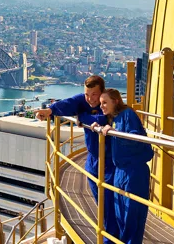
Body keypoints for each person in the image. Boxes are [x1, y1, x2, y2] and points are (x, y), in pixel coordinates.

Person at [35, 75, 118, 243]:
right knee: (101, 204)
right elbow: (69, 103)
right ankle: (108, 235)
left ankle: (110, 239)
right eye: (87, 94)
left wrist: (82, 118)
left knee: (109, 203)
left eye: (94, 94)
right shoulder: (85, 101)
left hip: (111, 162)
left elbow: (102, 119)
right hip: (93, 161)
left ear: (102, 92)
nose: (90, 99)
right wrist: (49, 111)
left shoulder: (107, 103)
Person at [93, 88, 153, 244]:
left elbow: (137, 139)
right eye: (101, 103)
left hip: (134, 172)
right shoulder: (114, 118)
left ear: (116, 101)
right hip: (120, 172)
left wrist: (115, 132)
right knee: (121, 216)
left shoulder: (128, 114)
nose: (102, 106)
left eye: (105, 102)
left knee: (132, 218)